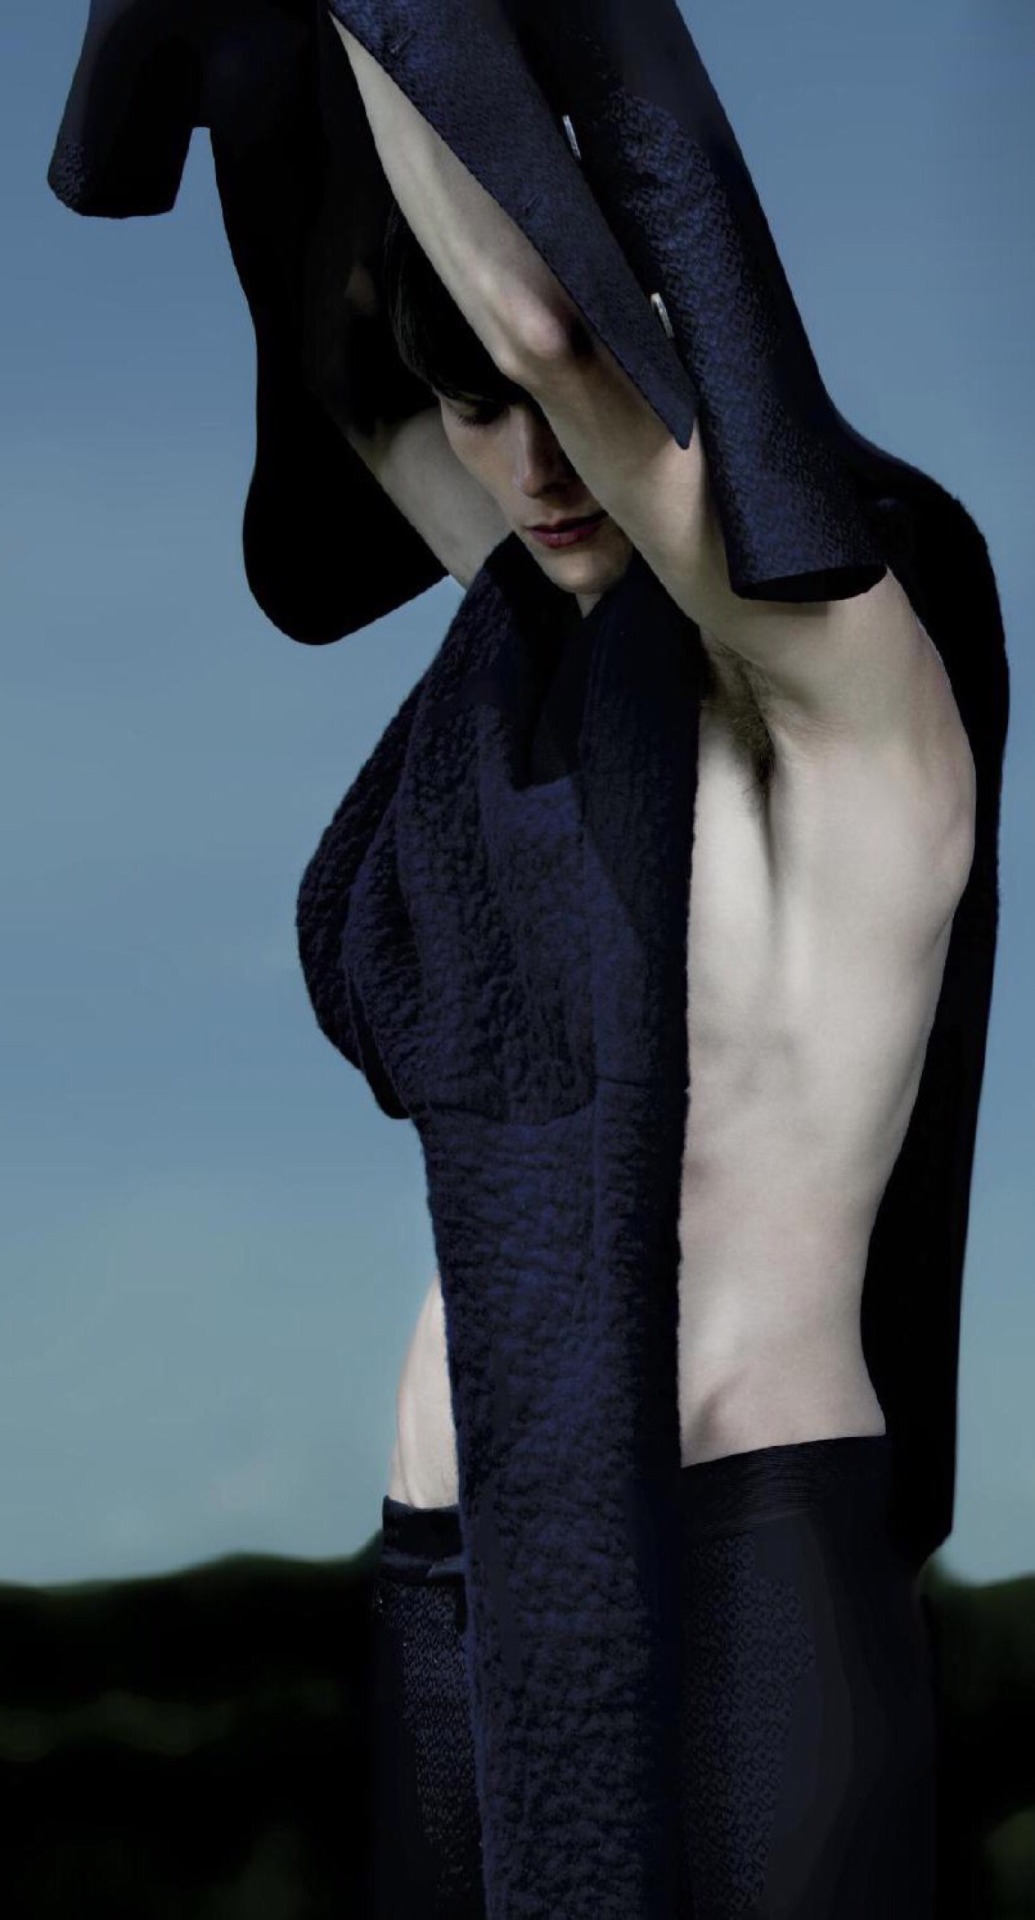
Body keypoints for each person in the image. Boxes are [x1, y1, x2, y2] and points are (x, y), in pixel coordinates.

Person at [322, 42, 974, 1902]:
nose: (533, 467)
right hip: (453, 1586)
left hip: (743, 1557)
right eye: (475, 414)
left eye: (565, 410)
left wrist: (391, 22)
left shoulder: (851, 693)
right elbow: (387, 365)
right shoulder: (526, 662)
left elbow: (542, 334)